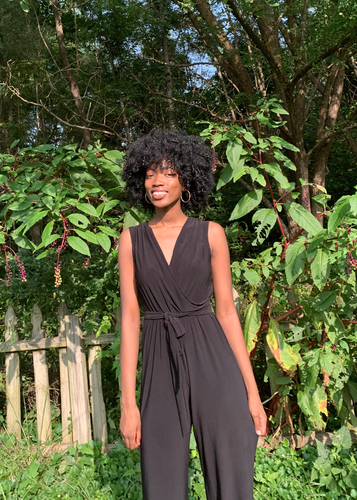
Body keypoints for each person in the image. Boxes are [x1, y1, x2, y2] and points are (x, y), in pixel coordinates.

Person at [118, 129, 266, 500]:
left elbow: (228, 314)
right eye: (150, 172)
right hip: (158, 358)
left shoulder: (211, 234)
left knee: (230, 466)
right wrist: (128, 402)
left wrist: (252, 393)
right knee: (161, 477)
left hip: (212, 357)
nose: (157, 180)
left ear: (186, 180)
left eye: (168, 172)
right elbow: (130, 320)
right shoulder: (131, 241)